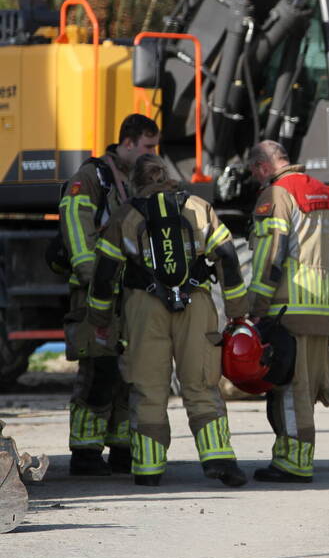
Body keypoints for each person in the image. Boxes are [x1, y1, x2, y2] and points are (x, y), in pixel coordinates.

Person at [86, 155, 249, 487]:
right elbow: (229, 257)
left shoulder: (126, 214)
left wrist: (100, 318)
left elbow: (104, 274)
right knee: (202, 383)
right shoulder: (198, 206)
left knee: (148, 389)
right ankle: (219, 458)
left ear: (136, 181)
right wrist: (236, 310)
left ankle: (148, 469)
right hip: (197, 303)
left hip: (144, 308)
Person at [59, 114, 159, 476]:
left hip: (127, 294)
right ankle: (84, 454)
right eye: (148, 146)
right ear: (128, 143)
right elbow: (75, 225)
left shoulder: (132, 182)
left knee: (125, 374)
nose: (153, 153)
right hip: (95, 294)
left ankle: (120, 450)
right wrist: (93, 276)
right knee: (98, 372)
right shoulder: (91, 178)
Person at [246, 141, 329, 483]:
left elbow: (270, 256)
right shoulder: (326, 193)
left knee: (289, 389)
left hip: (287, 307)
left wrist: (256, 307)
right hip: (321, 307)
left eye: (253, 173)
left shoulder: (276, 195)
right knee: (309, 388)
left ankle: (293, 463)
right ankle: (296, 457)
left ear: (262, 166)